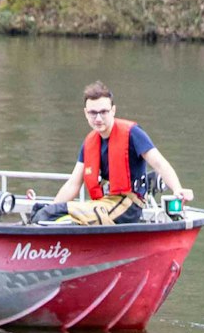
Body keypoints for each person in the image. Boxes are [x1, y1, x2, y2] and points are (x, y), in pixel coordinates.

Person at [33, 82, 190, 225]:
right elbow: (73, 184)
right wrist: (52, 208)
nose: (98, 118)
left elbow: (159, 164)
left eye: (103, 112)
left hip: (129, 205)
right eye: (93, 113)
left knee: (72, 216)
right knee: (44, 213)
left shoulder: (133, 134)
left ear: (113, 111)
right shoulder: (89, 143)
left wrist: (177, 189)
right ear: (86, 113)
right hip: (103, 203)